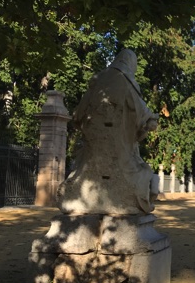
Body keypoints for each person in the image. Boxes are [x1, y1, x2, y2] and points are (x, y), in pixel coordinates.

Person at [58, 49, 159, 214]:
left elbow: (78, 116)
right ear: (131, 64)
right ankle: (123, 200)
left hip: (92, 148)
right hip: (119, 149)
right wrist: (149, 120)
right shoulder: (127, 82)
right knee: (143, 175)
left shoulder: (97, 80)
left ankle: (81, 199)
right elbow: (142, 114)